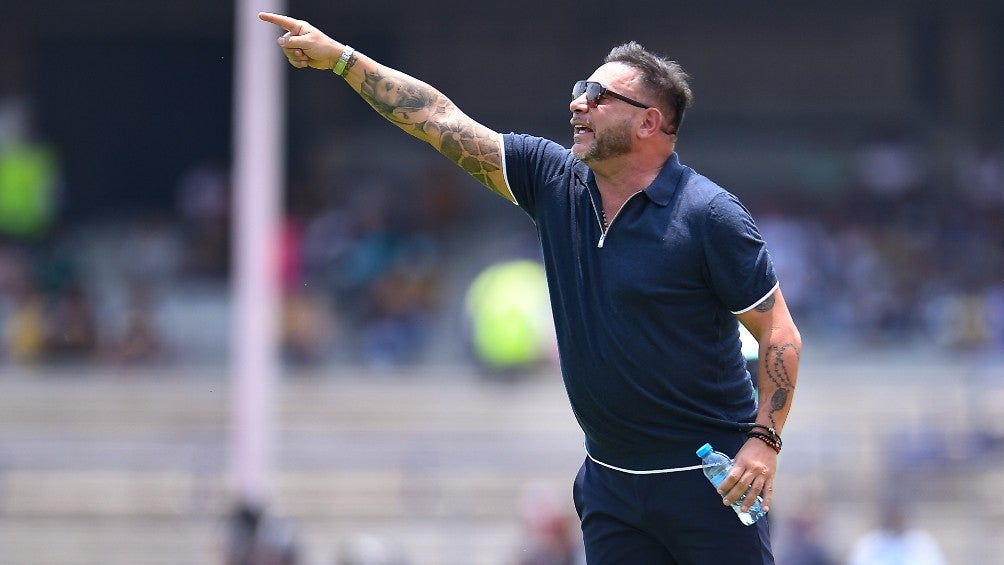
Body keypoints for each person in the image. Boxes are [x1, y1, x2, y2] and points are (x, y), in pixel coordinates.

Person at [260, 13, 802, 564]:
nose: (578, 103)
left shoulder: (709, 215)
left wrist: (765, 440)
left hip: (709, 479)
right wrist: (343, 60)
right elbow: (438, 119)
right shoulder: (553, 180)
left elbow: (779, 333)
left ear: (648, 122)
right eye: (580, 89)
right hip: (611, 485)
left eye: (599, 95)